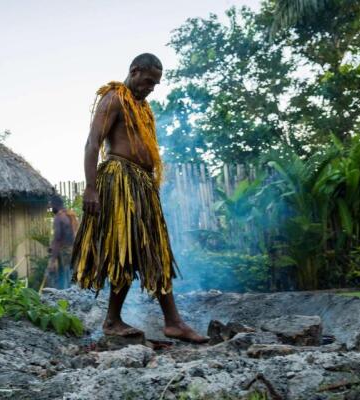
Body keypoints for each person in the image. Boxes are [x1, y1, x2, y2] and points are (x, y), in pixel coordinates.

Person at [70, 53, 208, 343]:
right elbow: (92, 143)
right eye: (148, 81)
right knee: (128, 249)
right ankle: (123, 321)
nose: (151, 88)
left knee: (152, 250)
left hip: (141, 185)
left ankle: (166, 321)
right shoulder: (114, 99)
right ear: (134, 72)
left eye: (156, 84)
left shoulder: (142, 107)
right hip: (120, 180)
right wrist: (91, 188)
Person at [46, 195, 78, 289]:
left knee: (65, 281)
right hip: (74, 251)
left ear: (55, 205)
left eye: (51, 206)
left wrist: (52, 261)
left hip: (65, 253)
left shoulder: (59, 218)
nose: (51, 209)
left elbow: (58, 239)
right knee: (72, 280)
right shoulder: (70, 215)